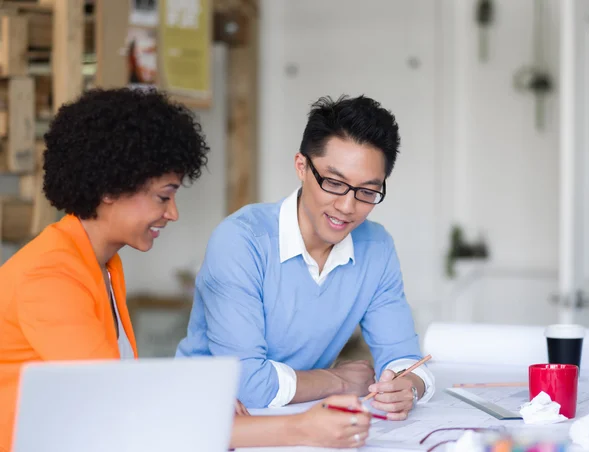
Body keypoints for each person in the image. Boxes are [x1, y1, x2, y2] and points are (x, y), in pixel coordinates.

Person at [0, 88, 371, 452]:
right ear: (109, 189)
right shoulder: (51, 278)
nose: (173, 213)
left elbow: (119, 387)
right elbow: (120, 413)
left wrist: (199, 399)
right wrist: (301, 429)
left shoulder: (101, 263)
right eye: (163, 196)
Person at [177, 94, 436, 419]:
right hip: (206, 415)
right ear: (302, 166)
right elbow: (248, 385)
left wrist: (406, 386)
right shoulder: (242, 241)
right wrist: (338, 381)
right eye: (333, 182)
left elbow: (406, 359)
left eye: (367, 192)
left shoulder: (376, 247)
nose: (347, 206)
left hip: (297, 415)